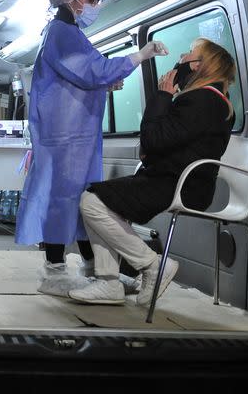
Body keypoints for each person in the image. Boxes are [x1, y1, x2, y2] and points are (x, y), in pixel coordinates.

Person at [15, 0, 168, 296]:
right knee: (62, 201)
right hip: (64, 139)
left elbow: (80, 80)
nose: (96, 4)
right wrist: (139, 55)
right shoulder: (60, 32)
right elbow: (89, 70)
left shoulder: (68, 32)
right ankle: (55, 273)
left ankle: (98, 271)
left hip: (74, 137)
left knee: (82, 201)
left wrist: (104, 84)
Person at [68, 38, 236, 305]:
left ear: (199, 66)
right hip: (177, 178)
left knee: (92, 201)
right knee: (99, 197)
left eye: (188, 54)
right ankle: (108, 283)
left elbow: (154, 138)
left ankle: (151, 266)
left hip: (178, 183)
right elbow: (168, 141)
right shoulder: (211, 100)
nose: (180, 58)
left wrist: (163, 95)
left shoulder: (203, 100)